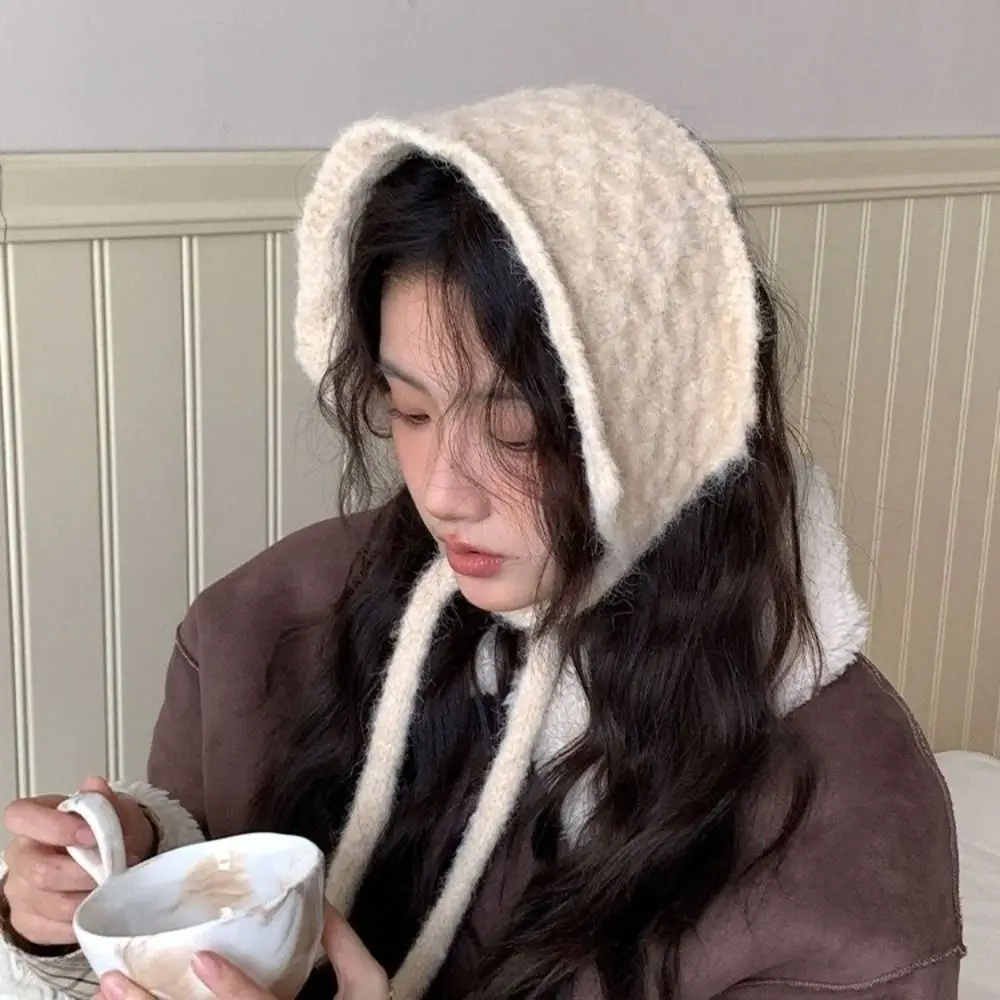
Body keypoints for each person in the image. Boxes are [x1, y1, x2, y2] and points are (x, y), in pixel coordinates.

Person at [0, 86, 963, 1000]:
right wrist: (111, 876)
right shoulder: (268, 620)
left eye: (516, 429)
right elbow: (213, 874)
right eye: (410, 410)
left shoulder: (841, 817)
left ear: (662, 415)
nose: (441, 494)